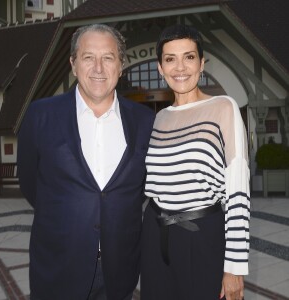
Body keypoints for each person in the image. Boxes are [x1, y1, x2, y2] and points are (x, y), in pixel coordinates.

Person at [17, 24, 155, 300]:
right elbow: (31, 185)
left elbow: (139, 189)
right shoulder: (40, 115)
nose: (98, 68)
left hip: (119, 272)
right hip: (58, 268)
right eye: (88, 57)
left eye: (108, 57)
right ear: (73, 64)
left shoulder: (145, 121)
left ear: (121, 64)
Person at [141, 24, 250, 300]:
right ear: (160, 67)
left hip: (201, 236)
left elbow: (238, 191)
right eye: (170, 59)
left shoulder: (223, 108)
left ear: (202, 63)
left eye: (189, 57)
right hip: (155, 234)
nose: (180, 67)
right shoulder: (159, 118)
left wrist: (235, 267)